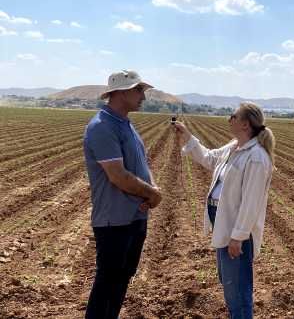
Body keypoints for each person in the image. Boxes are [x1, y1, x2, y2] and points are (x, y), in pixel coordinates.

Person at [171, 101, 275, 319]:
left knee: (236, 289)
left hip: (235, 227)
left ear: (245, 124)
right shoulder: (233, 147)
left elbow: (251, 202)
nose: (229, 119)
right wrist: (187, 137)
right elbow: (209, 158)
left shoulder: (256, 156)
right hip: (222, 220)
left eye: (233, 116)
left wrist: (238, 236)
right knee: (228, 280)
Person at [83, 70, 162, 319]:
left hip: (135, 219)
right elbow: (117, 175)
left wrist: (153, 191)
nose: (144, 97)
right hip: (114, 220)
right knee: (107, 282)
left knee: (122, 280)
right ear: (121, 92)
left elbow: (140, 165)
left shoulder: (125, 124)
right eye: (139, 91)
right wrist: (153, 194)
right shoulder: (103, 127)